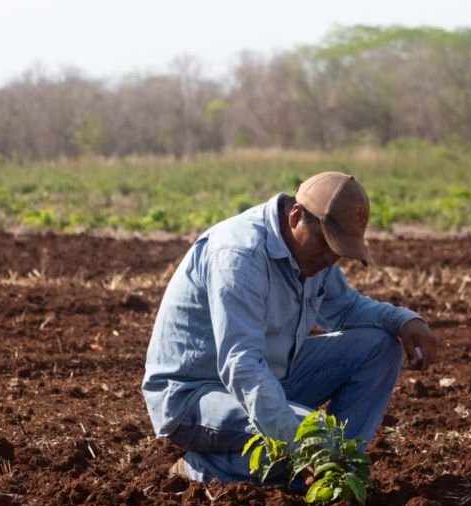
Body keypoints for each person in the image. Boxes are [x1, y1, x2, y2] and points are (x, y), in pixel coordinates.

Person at [142, 171, 438, 484]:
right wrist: (300, 443)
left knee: (380, 346)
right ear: (296, 216)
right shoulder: (240, 255)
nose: (330, 258)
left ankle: (335, 473)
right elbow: (242, 366)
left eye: (338, 251)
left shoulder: (313, 258)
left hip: (268, 376)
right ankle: (205, 468)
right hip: (194, 396)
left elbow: (346, 309)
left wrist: (404, 320)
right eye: (325, 243)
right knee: (314, 439)